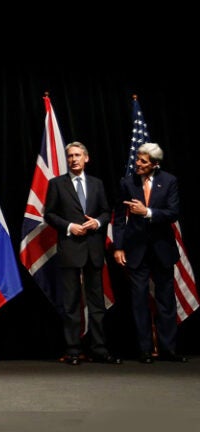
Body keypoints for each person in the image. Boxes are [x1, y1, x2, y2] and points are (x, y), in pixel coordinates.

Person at [44, 142, 120, 366]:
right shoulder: (56, 184)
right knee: (70, 303)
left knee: (97, 304)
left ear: (86, 158)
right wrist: (69, 226)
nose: (73, 159)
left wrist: (97, 222)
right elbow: (49, 214)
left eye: (77, 155)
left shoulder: (97, 184)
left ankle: (99, 349)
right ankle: (73, 350)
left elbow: (106, 211)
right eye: (70, 156)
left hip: (93, 250)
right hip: (70, 248)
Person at [113, 142, 188, 364]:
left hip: (162, 249)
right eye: (137, 159)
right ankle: (145, 350)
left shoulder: (169, 181)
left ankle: (168, 349)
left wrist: (147, 212)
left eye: (143, 161)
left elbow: (172, 213)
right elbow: (119, 218)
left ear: (155, 164)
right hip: (136, 251)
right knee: (139, 301)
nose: (137, 163)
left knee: (166, 300)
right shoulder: (128, 182)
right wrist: (118, 247)